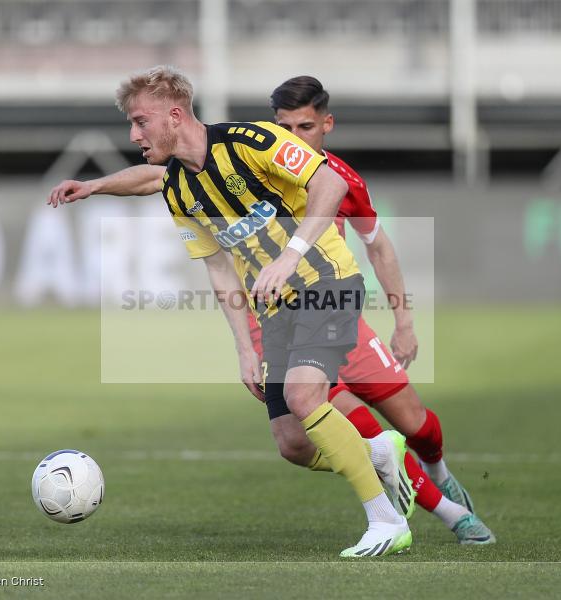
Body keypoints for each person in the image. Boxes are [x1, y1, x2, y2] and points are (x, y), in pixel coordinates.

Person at [47, 65, 412, 557]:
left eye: (140, 122)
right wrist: (244, 348)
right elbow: (219, 271)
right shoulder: (178, 190)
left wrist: (290, 255)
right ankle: (375, 451)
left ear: (174, 116)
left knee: (306, 399)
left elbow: (330, 186)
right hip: (275, 311)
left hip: (328, 282)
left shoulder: (251, 141)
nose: (134, 135)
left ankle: (385, 521)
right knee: (293, 444)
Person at [252, 77, 495, 544]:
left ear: (327, 124)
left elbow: (379, 248)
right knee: (360, 431)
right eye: (284, 128)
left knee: (414, 423)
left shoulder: (340, 180)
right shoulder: (249, 174)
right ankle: (452, 515)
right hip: (284, 330)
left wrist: (404, 321)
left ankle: (437, 470)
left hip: (338, 315)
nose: (294, 138)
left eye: (305, 126)